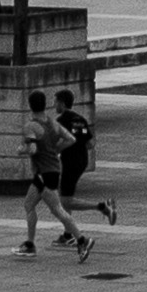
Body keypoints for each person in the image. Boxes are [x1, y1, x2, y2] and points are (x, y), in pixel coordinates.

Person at [17, 88, 87, 256]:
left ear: (30, 105)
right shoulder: (52, 123)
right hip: (51, 171)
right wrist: (56, 149)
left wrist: (21, 150)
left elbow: (33, 149)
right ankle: (29, 244)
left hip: (44, 173)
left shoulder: (31, 126)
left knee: (57, 210)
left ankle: (82, 240)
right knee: (29, 204)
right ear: (45, 104)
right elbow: (71, 139)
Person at [58, 88, 112, 228]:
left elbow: (60, 141)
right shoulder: (80, 120)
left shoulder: (61, 121)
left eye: (56, 102)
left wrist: (56, 149)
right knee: (65, 197)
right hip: (82, 160)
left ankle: (102, 206)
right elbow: (90, 143)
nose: (54, 105)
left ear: (62, 103)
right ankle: (68, 233)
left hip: (70, 162)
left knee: (66, 201)